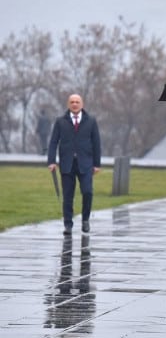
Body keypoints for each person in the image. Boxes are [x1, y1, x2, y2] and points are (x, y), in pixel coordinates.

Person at [47, 94, 102, 235]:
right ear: (68, 104)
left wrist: (97, 164)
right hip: (67, 164)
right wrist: (52, 161)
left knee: (87, 192)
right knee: (68, 196)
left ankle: (85, 220)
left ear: (82, 104)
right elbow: (53, 142)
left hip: (86, 164)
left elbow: (96, 143)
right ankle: (68, 225)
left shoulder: (91, 121)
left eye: (77, 102)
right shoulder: (60, 122)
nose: (75, 104)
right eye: (72, 102)